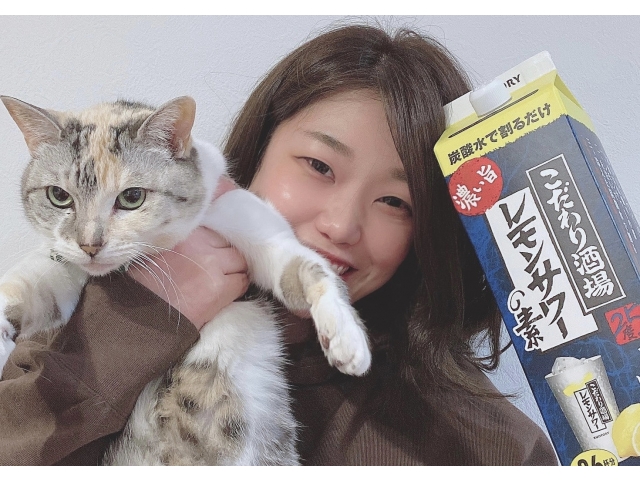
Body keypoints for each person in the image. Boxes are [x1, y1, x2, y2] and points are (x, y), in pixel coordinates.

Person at [0, 24, 557, 465]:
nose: (341, 225)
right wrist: (143, 320)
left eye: (396, 202)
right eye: (319, 166)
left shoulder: (489, 447)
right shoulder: (72, 323)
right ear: (258, 148)